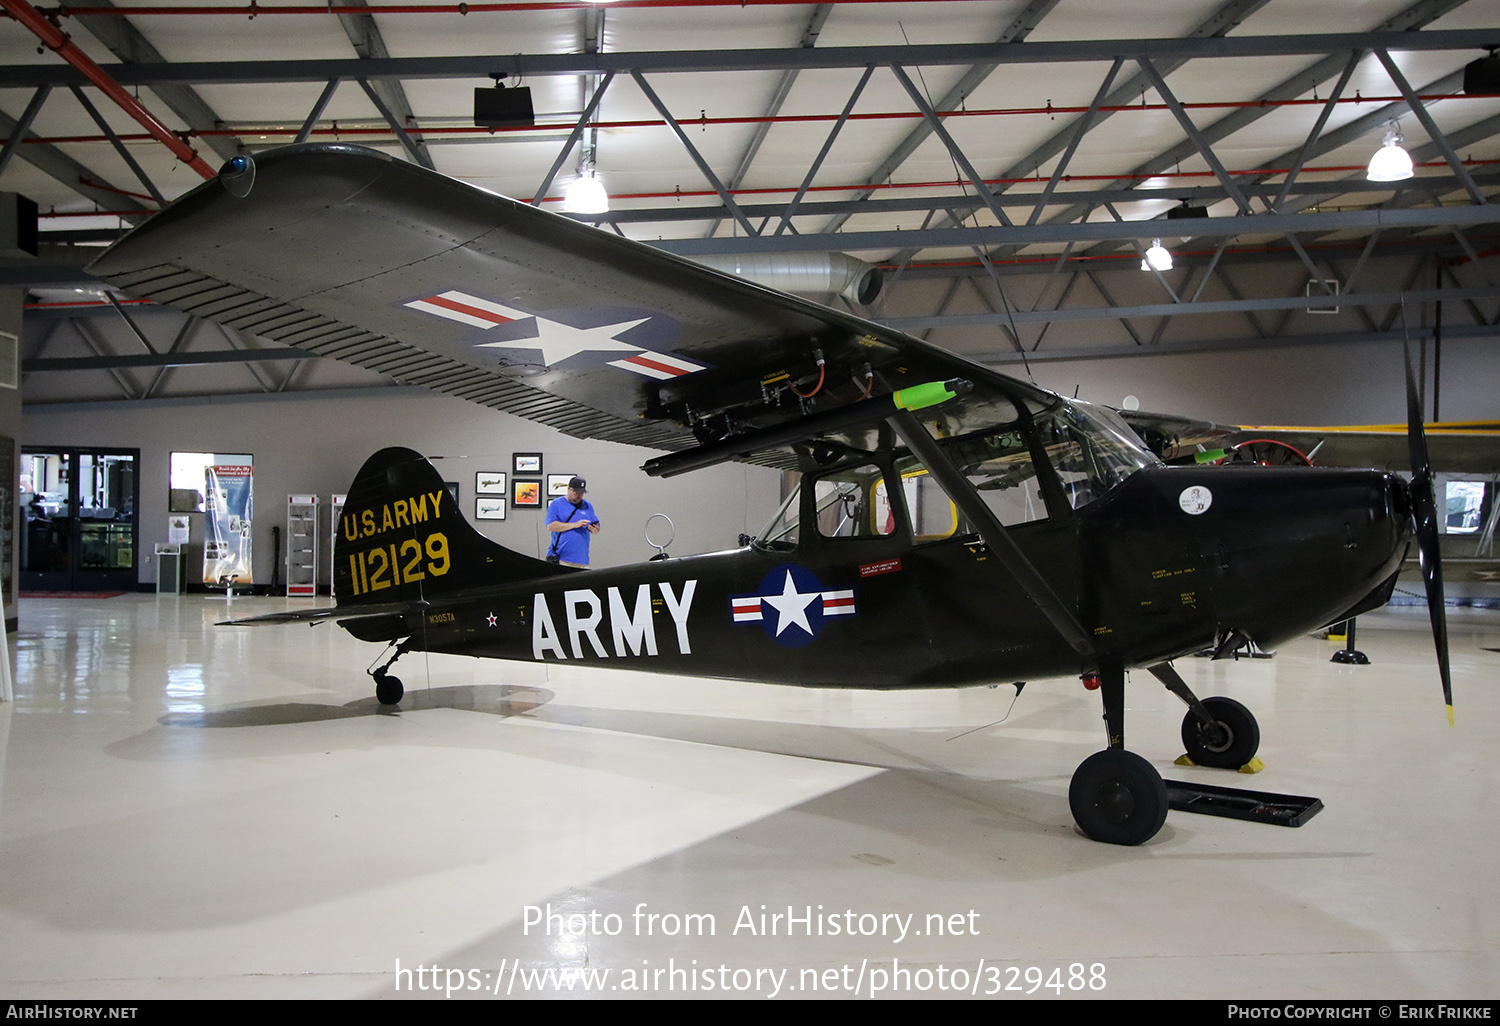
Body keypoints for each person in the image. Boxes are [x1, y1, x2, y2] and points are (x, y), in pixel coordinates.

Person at [545, 476, 600, 568]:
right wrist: (575, 525)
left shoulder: (587, 506)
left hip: (582, 559)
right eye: (576, 492)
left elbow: (596, 524)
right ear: (569, 488)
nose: (579, 495)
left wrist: (595, 529)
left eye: (582, 493)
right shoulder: (556, 504)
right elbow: (551, 526)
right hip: (561, 558)